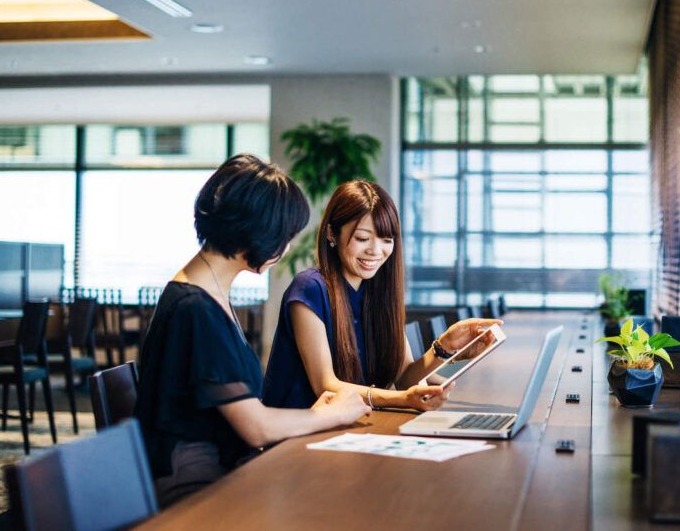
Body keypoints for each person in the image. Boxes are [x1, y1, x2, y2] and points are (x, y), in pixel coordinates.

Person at [135, 155, 370, 507]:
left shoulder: (206, 292)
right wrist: (333, 413)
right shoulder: (195, 308)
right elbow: (255, 427)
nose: (287, 247)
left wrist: (316, 415)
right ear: (259, 232)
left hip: (224, 467)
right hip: (197, 486)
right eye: (285, 236)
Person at [264, 179, 501, 411]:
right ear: (331, 234)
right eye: (362, 238)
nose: (375, 251)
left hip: (351, 428)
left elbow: (405, 378)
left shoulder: (378, 292)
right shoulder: (310, 288)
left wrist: (444, 347)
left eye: (386, 240)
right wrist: (402, 400)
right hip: (297, 437)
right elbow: (326, 386)